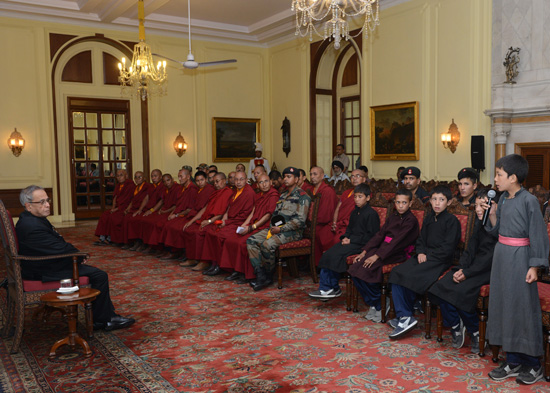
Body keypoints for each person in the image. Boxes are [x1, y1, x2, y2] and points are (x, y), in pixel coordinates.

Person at [16, 185, 135, 331]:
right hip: (43, 271)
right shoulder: (32, 226)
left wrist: (75, 254)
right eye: (41, 202)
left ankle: (105, 316)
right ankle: (103, 320)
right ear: (28, 206)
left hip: (44, 263)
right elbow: (58, 248)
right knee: (99, 275)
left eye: (47, 200)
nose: (47, 205)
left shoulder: (30, 219)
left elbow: (56, 243)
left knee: (93, 271)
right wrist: (78, 256)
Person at [485, 154, 549, 385]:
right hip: (502, 257)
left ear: (513, 177)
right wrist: (492, 215)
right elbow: (498, 229)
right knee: (504, 305)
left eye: (499, 175)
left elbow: (538, 235)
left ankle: (532, 364)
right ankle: (512, 360)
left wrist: (534, 265)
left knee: (521, 307)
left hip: (521, 259)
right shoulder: (502, 199)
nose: (495, 179)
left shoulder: (529, 200)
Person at [428, 188, 498, 353]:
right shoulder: (479, 223)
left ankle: (475, 330)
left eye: (483, 206)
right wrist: (461, 268)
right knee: (441, 286)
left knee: (461, 291)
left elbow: (488, 259)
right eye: (477, 206)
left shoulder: (497, 227)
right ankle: (455, 325)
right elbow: (469, 251)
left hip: (487, 271)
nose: (479, 210)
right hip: (470, 268)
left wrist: (467, 273)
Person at [388, 185, 460, 339]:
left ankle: (405, 316)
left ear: (449, 202)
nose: (437, 203)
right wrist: (420, 252)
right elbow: (420, 239)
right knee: (397, 272)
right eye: (434, 199)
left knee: (410, 275)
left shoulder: (452, 221)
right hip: (423, 256)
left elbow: (448, 247)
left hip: (439, 261)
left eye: (441, 200)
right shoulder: (428, 218)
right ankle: (405, 315)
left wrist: (429, 255)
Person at [348, 188, 420, 323]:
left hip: (397, 253)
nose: (400, 206)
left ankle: (380, 304)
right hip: (382, 249)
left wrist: (377, 256)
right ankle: (375, 303)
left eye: (404, 203)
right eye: (398, 202)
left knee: (368, 269)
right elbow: (380, 235)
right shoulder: (393, 216)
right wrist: (365, 251)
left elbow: (397, 242)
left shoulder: (411, 221)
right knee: (356, 268)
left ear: (410, 204)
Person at [308, 183, 379, 300]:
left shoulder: (371, 214)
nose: (357, 199)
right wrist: (345, 237)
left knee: (336, 255)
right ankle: (329, 287)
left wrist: (351, 240)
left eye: (360, 197)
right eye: (355, 196)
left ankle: (329, 288)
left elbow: (372, 236)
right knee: (329, 253)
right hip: (351, 242)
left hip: (362, 245)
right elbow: (350, 229)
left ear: (368, 198)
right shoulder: (355, 212)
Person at [246, 167, 311, 291]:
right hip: (277, 229)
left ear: (296, 179)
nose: (285, 179)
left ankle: (268, 276)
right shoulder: (283, 195)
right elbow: (276, 215)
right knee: (251, 240)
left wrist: (281, 229)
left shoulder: (302, 196)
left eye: (289, 177)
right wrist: (274, 228)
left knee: (267, 245)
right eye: (285, 176)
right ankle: (260, 275)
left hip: (293, 232)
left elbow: (300, 221)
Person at [218, 174, 279, 283]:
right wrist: (244, 225)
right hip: (253, 225)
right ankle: (237, 270)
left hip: (263, 227)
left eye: (266, 181)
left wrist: (252, 227)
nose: (264, 184)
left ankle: (249, 275)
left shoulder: (273, 195)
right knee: (232, 239)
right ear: (258, 185)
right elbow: (253, 212)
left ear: (270, 182)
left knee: (243, 243)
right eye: (261, 182)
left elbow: (268, 215)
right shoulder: (259, 195)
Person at [198, 171, 256, 276]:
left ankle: (221, 266)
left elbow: (244, 215)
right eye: (236, 179)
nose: (238, 182)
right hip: (230, 221)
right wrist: (224, 219)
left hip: (238, 223)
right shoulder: (235, 191)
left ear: (246, 179)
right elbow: (229, 207)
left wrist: (227, 222)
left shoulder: (249, 192)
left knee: (220, 235)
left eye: (241, 179)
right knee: (211, 232)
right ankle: (213, 263)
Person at [181, 172, 234, 271]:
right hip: (207, 219)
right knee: (190, 229)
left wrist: (209, 221)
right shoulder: (215, 192)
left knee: (200, 232)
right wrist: (192, 220)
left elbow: (221, 213)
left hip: (215, 221)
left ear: (224, 180)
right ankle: (192, 258)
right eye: (214, 182)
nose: (216, 184)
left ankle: (204, 261)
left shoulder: (227, 192)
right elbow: (205, 208)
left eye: (217, 181)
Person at [316, 168, 368, 260]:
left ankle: (333, 264)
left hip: (349, 226)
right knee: (321, 233)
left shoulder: (366, 195)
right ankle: (321, 264)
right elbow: (338, 208)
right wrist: (334, 223)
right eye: (352, 176)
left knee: (337, 239)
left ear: (364, 179)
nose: (354, 178)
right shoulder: (346, 192)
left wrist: (340, 224)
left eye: (357, 176)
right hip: (339, 223)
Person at [94, 169, 135, 246]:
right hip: (117, 208)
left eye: (121, 175)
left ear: (126, 176)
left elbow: (129, 201)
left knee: (114, 217)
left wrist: (117, 209)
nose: (119, 177)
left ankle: (112, 239)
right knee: (105, 215)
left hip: (124, 208)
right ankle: (103, 238)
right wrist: (113, 208)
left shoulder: (130, 185)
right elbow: (115, 197)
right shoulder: (118, 185)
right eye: (118, 176)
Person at [310, 166, 338, 264]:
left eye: (315, 174)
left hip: (325, 223)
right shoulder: (311, 190)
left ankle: (320, 264)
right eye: (311, 174)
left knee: (318, 233)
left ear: (322, 176)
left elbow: (325, 215)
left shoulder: (327, 191)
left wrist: (312, 221)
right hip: (312, 222)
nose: (312, 177)